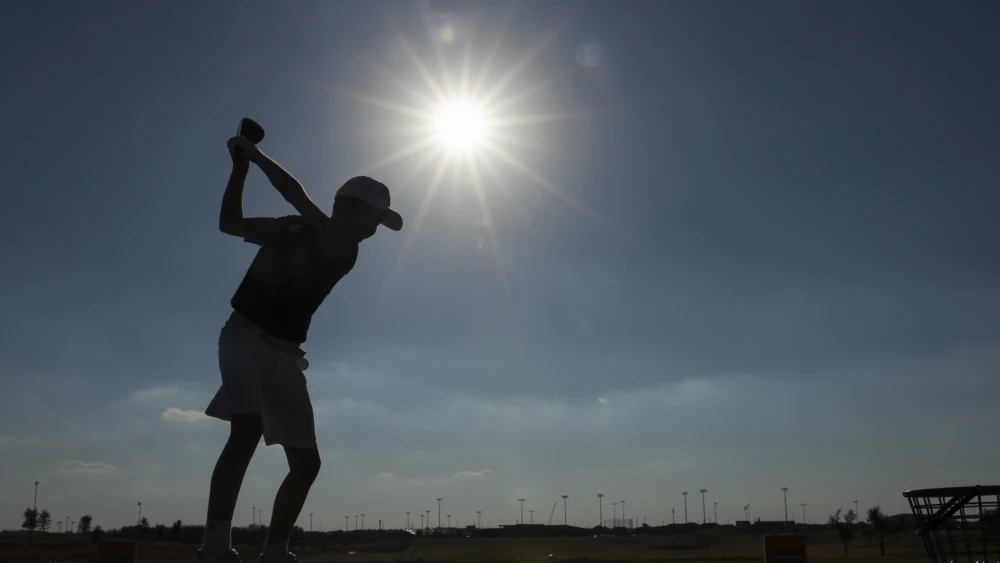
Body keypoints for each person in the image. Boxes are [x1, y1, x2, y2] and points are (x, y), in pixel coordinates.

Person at [193, 135, 403, 563]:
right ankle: (214, 547)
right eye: (374, 220)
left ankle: (275, 552)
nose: (374, 231)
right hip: (241, 337)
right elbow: (229, 223)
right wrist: (240, 168)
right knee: (246, 430)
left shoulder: (345, 250)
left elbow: (296, 192)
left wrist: (251, 153)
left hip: (285, 355)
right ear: (348, 207)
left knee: (307, 465)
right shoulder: (290, 227)